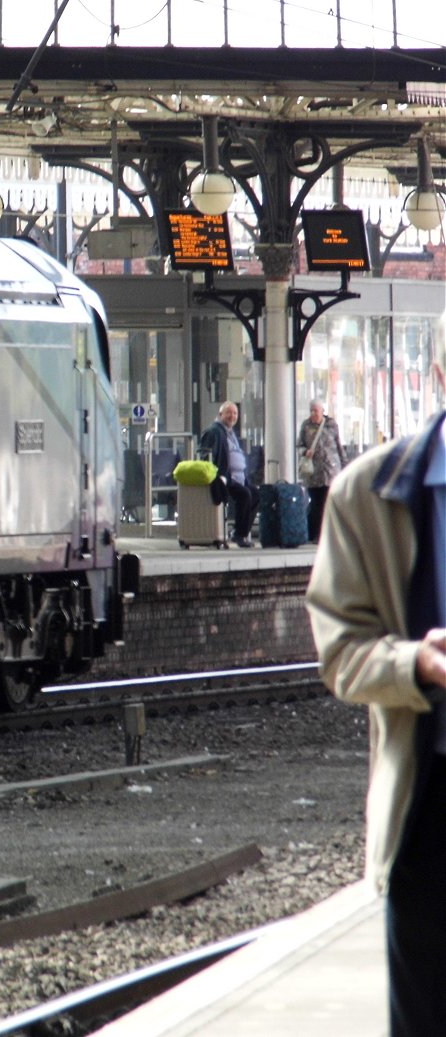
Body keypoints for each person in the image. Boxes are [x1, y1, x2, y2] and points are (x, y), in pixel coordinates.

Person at [306, 384, 446, 1035]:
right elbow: (340, 649)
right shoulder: (369, 494)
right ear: (443, 376)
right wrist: (414, 663)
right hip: (429, 810)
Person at [198, 400, 254, 547]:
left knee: (255, 495)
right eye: (229, 412)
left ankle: (239, 531)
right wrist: (218, 476)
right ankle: (240, 535)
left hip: (239, 477)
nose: (232, 416)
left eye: (235, 413)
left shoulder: (229, 432)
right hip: (224, 478)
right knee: (245, 495)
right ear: (220, 414)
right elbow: (206, 456)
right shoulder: (215, 432)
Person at [297, 398, 346, 543]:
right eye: (311, 411)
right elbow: (299, 445)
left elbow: (338, 445)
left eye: (316, 411)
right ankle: (314, 534)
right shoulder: (306, 426)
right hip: (313, 473)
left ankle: (326, 534)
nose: (313, 413)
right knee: (316, 504)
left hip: (331, 471)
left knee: (327, 503)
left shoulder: (331, 425)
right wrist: (305, 452)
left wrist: (344, 464)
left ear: (322, 411)